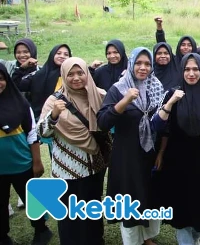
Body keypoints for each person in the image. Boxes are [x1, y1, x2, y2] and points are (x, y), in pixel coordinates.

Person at [97, 47, 164, 245]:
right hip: (126, 156)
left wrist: (160, 152)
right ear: (131, 64)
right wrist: (125, 101)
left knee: (149, 195)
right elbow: (102, 122)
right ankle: (133, 241)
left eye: (147, 64)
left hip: (149, 153)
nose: (143, 68)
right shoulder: (118, 89)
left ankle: (147, 237)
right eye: (139, 63)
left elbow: (161, 119)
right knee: (131, 197)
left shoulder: (155, 86)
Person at [37, 58, 107, 245]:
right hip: (66, 168)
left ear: (87, 73)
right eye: (71, 74)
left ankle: (95, 240)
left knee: (92, 209)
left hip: (94, 166)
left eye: (80, 73)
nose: (76, 78)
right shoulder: (54, 100)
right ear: (64, 76)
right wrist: (53, 116)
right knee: (68, 213)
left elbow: (110, 122)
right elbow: (41, 132)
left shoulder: (99, 95)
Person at [154, 53, 200, 245]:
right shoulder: (172, 94)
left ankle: (196, 238)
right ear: (181, 71)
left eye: (195, 69)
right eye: (186, 69)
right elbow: (160, 126)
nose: (191, 73)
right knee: (182, 205)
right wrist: (172, 102)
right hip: (178, 159)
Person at [0, 63, 53, 245]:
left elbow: (32, 133)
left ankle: (41, 230)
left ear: (6, 79)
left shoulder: (20, 103)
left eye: (1, 78)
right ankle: (2, 236)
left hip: (22, 162)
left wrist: (37, 161)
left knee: (31, 198)